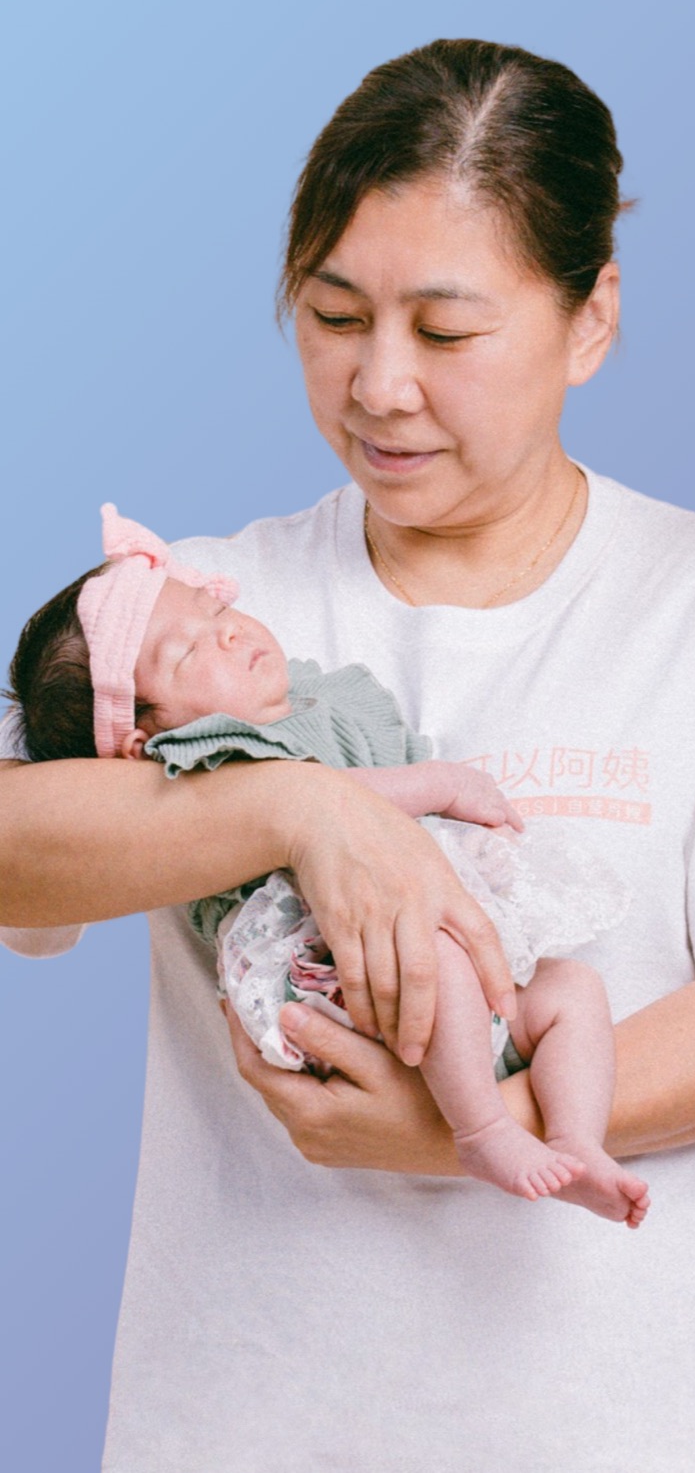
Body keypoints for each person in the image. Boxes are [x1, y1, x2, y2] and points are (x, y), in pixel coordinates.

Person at [0, 39, 695, 1473]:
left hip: (636, 1430)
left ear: (590, 319)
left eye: (447, 330)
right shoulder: (212, 623)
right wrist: (299, 807)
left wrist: (462, 1124)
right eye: (335, 313)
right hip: (246, 1426)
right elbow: (12, 859)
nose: (381, 383)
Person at [7, 505, 649, 1222]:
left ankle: (576, 1137)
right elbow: (343, 804)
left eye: (212, 604)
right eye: (187, 655)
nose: (225, 628)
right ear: (143, 738)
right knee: (434, 950)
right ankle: (482, 1128)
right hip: (326, 962)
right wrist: (438, 783)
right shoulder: (208, 757)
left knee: (572, 991)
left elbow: (390, 832)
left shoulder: (319, 701)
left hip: (433, 965)